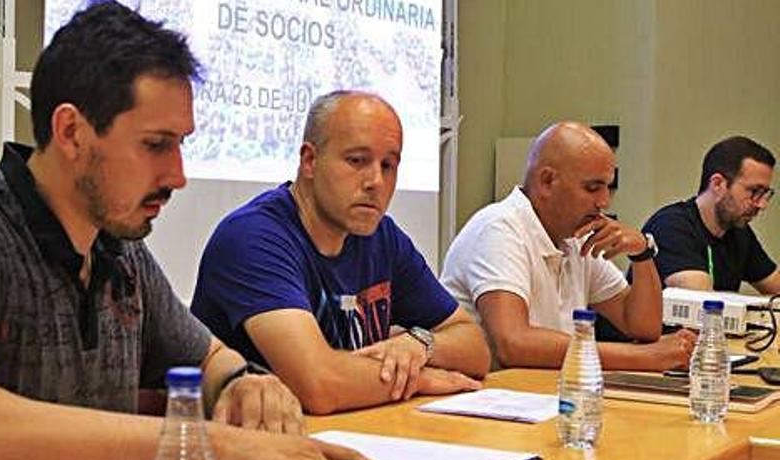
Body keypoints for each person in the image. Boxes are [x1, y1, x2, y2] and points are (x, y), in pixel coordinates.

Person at [0, 4, 390, 460]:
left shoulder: (119, 251)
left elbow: (211, 360)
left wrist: (245, 383)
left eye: (180, 145)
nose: (177, 175)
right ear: (71, 132)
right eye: (156, 145)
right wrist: (212, 446)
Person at [191, 90, 490, 415]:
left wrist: (420, 345)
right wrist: (419, 379)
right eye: (357, 161)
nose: (376, 181)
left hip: (358, 432)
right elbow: (319, 385)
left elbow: (475, 348)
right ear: (309, 161)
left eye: (388, 165)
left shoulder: (382, 236)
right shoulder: (252, 238)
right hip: (257, 445)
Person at [441, 122, 696, 370]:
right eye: (593, 188)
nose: (604, 202)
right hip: (488, 401)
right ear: (547, 182)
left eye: (608, 187)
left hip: (544, 396)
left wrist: (642, 254)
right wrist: (643, 358)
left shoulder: (577, 237)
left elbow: (642, 326)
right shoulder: (499, 228)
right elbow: (513, 344)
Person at [643, 136, 779, 293]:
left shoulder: (738, 233)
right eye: (755, 191)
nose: (762, 204)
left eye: (765, 194)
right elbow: (704, 304)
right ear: (718, 184)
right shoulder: (670, 227)